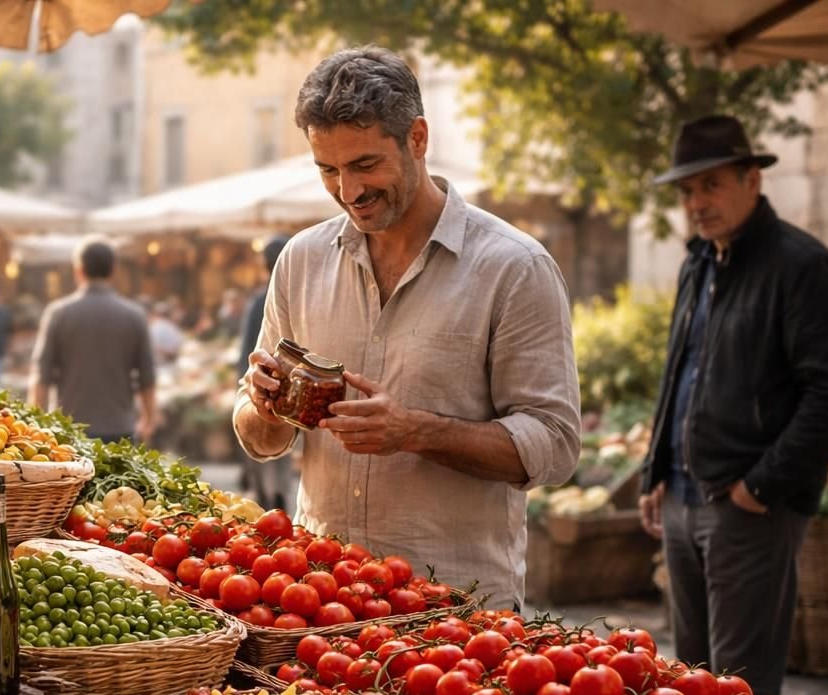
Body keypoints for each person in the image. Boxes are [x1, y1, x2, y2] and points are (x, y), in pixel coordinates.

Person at [233, 46, 580, 609]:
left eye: (365, 165)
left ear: (417, 138)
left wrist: (414, 431)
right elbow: (258, 437)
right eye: (328, 170)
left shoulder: (515, 267)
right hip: (318, 597)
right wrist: (265, 409)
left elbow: (556, 446)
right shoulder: (301, 259)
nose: (348, 192)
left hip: (454, 613)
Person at [637, 115, 828, 695]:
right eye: (688, 191)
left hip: (748, 508)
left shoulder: (802, 266)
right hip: (684, 501)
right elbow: (677, 372)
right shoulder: (698, 263)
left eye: (711, 185)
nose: (697, 203)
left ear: (751, 181)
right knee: (687, 691)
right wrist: (655, 470)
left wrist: (760, 488)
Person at [30, 238, 157, 444]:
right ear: (114, 270)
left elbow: (41, 376)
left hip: (68, 429)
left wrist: (36, 424)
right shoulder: (134, 316)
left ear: (79, 270)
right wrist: (149, 418)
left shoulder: (58, 313)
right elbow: (147, 376)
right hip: (120, 429)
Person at [240, 234, 294, 511]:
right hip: (293, 393)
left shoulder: (258, 301)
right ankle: (278, 497)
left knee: (265, 451)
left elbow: (247, 352)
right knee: (282, 454)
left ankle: (269, 499)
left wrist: (246, 386)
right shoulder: (297, 297)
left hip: (263, 391)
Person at [148, 301, 186, 370]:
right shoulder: (170, 326)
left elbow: (155, 347)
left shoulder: (156, 327)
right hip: (170, 363)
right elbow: (180, 342)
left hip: (161, 366)